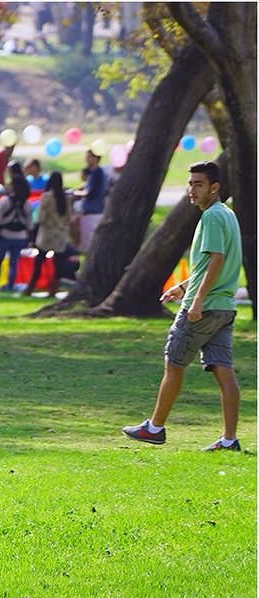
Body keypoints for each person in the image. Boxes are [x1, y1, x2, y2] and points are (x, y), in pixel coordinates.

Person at [122, 161, 242, 452]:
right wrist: (183, 286)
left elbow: (216, 260)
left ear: (214, 188)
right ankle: (229, 440)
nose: (192, 189)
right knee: (223, 371)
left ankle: (155, 428)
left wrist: (196, 300)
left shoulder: (212, 217)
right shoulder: (227, 214)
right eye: (190, 183)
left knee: (173, 365)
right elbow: (209, 265)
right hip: (225, 307)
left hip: (205, 307)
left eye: (198, 184)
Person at [25, 171, 70, 295]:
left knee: (39, 261)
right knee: (58, 263)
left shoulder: (47, 197)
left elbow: (41, 217)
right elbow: (68, 216)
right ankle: (54, 289)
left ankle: (30, 287)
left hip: (47, 232)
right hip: (60, 233)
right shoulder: (65, 197)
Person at [0, 168, 31, 293]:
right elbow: (29, 224)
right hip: (20, 237)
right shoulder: (26, 203)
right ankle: (10, 285)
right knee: (14, 263)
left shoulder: (5, 200)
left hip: (4, 235)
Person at [72, 149, 107, 252]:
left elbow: (91, 192)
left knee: (90, 242)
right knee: (74, 223)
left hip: (94, 211)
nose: (87, 159)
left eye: (89, 157)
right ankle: (78, 246)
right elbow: (87, 186)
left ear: (96, 158)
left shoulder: (97, 173)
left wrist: (75, 194)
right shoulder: (92, 173)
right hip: (88, 210)